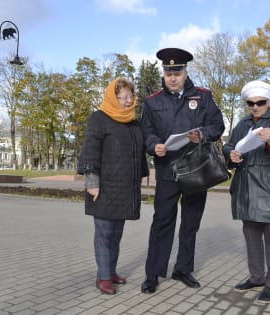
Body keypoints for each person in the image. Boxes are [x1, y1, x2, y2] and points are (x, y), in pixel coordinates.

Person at [140, 48, 225, 294]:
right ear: (164, 73)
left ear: (186, 72)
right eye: (168, 72)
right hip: (167, 170)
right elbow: (147, 132)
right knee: (162, 221)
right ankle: (153, 273)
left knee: (190, 222)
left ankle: (183, 269)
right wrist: (153, 146)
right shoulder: (152, 101)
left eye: (177, 72)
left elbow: (217, 125)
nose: (173, 77)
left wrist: (203, 135)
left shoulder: (203, 96)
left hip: (196, 169)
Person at [222, 80, 270, 304]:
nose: (255, 107)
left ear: (269, 101)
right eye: (250, 103)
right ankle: (256, 277)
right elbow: (230, 145)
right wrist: (231, 154)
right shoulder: (243, 123)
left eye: (260, 102)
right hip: (246, 186)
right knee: (251, 236)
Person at [77, 77, 149, 295]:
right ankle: (103, 276)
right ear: (112, 97)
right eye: (122, 97)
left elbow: (139, 153)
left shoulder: (134, 122)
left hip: (125, 189)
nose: (127, 101)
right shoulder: (99, 118)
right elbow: (90, 150)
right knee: (104, 234)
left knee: (116, 234)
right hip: (103, 188)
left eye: (130, 96)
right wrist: (92, 182)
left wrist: (141, 177)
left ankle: (110, 270)